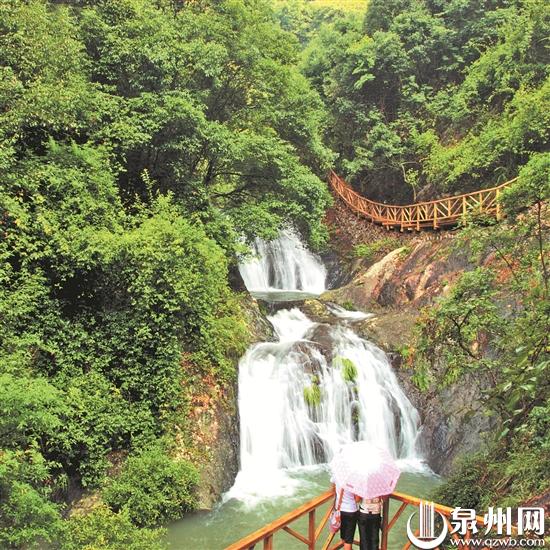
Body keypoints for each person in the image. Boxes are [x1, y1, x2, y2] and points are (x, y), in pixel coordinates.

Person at [330, 477, 358, 550]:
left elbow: (333, 488)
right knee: (348, 540)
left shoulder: (337, 475)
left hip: (339, 510)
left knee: (344, 537)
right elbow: (357, 499)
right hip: (351, 511)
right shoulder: (354, 479)